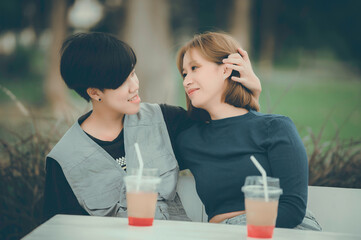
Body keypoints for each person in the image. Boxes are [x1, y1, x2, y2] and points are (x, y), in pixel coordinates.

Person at [42, 32, 261, 221]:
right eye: (122, 81)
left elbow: (230, 141)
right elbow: (63, 231)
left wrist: (252, 94)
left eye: (133, 73)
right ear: (95, 92)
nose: (135, 86)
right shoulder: (64, 161)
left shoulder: (165, 121)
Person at [174, 32, 321, 230]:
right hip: (221, 232)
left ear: (226, 69)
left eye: (194, 68)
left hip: (285, 229)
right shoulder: (189, 140)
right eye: (184, 74)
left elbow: (293, 208)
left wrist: (237, 230)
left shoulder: (275, 128)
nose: (186, 81)